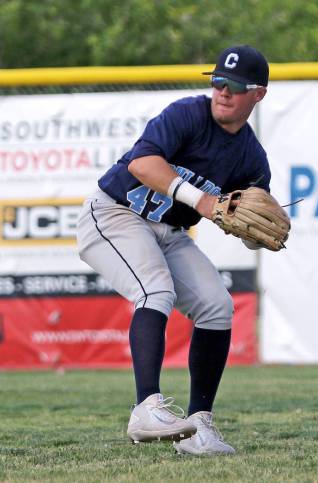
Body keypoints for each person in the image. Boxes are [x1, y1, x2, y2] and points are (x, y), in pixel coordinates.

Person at [77, 44, 270, 456]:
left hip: (169, 232)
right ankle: (146, 408)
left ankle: (199, 426)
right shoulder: (188, 113)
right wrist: (202, 201)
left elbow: (255, 225)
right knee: (154, 290)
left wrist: (254, 232)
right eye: (218, 81)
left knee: (218, 305)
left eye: (235, 86)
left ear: (258, 94)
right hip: (114, 213)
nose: (223, 91)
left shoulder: (251, 156)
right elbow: (141, 164)